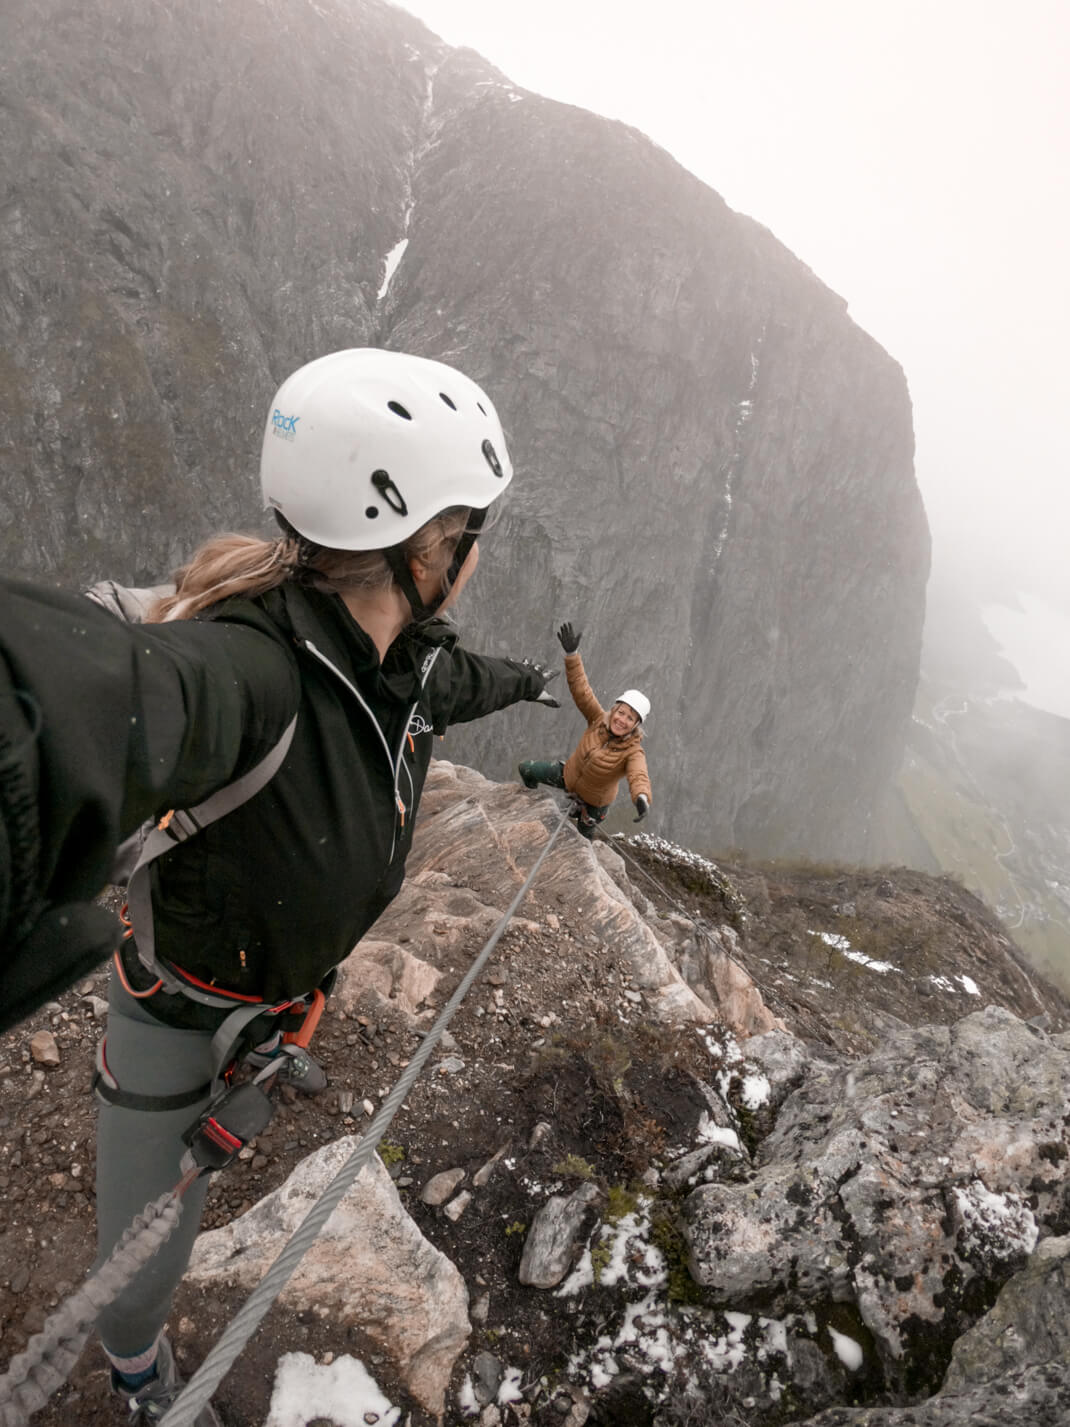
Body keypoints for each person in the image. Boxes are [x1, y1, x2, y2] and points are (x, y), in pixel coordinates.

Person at [0, 347, 559, 1425]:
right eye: (471, 534)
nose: (475, 556)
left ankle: (266, 1054)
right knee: (144, 1248)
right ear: (429, 546)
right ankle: (136, 1377)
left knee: (179, 1193)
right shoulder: (248, 672)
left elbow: (461, 683)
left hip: (276, 998)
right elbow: (92, 703)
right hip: (175, 1007)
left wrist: (533, 684)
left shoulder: (407, 662)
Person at [518, 622, 652, 838]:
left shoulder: (633, 751)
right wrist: (572, 655)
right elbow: (581, 689)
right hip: (568, 775)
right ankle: (528, 801)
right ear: (615, 709)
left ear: (636, 725)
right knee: (527, 769)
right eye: (621, 712)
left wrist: (642, 797)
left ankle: (583, 822)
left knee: (583, 837)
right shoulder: (598, 719)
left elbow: (639, 774)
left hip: (595, 803)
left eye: (630, 718)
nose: (622, 720)